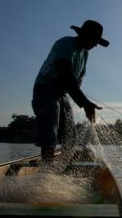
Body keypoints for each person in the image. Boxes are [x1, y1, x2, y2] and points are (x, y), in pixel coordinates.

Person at [32, 20, 108, 163]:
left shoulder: (84, 54)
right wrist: (85, 103)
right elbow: (66, 75)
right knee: (50, 129)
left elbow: (77, 80)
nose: (95, 45)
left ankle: (64, 165)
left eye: (97, 42)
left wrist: (81, 101)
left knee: (70, 134)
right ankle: (47, 170)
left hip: (62, 93)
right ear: (84, 35)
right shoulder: (66, 44)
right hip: (45, 89)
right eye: (94, 40)